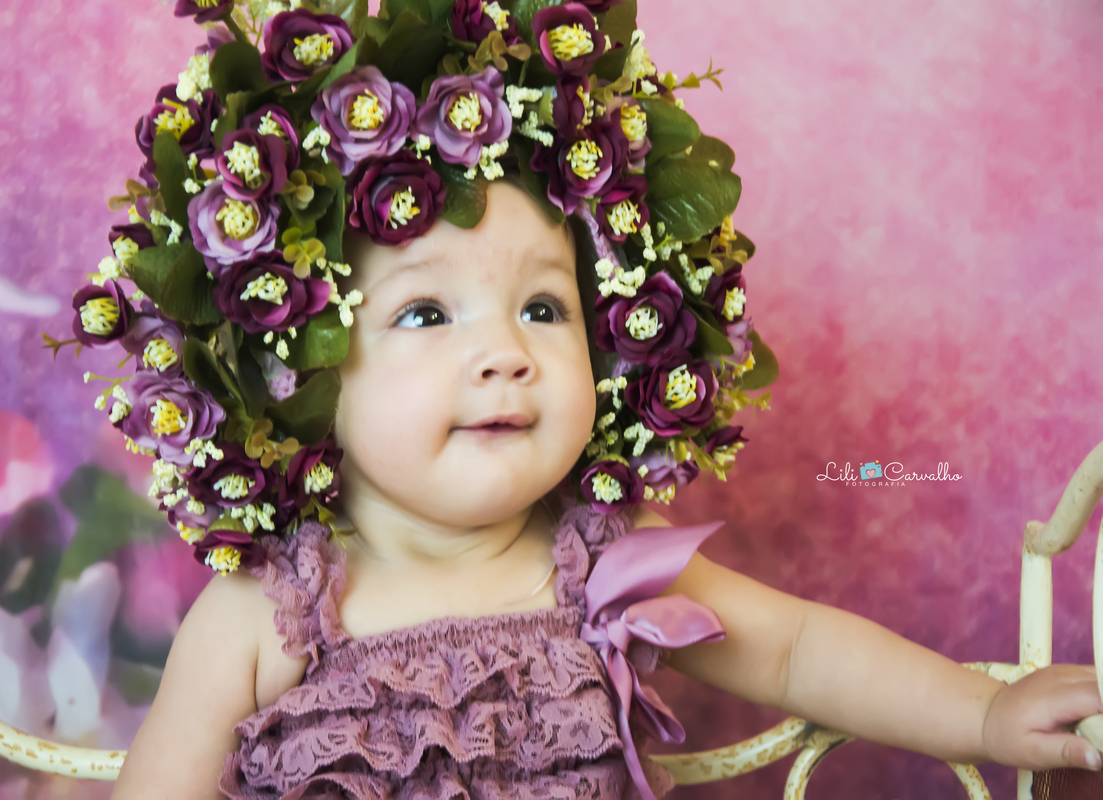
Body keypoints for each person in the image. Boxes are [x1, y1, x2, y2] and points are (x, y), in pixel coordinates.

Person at [62, 2, 1103, 798]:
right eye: (426, 313)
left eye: (544, 308)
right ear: (296, 371)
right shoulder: (268, 616)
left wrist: (985, 712)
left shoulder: (603, 567)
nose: (506, 354)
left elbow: (797, 649)